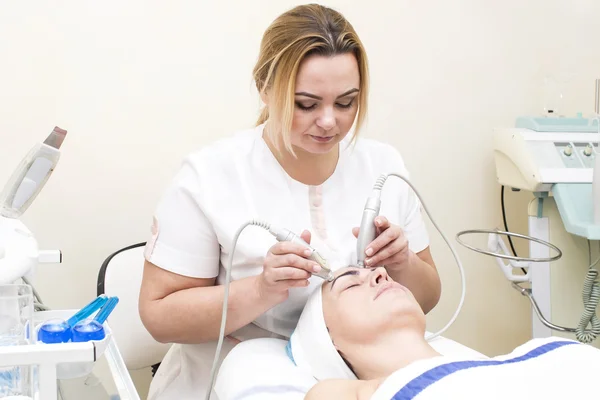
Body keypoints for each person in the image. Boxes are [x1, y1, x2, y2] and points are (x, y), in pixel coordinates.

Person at [138, 4, 441, 399]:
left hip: (363, 381)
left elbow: (430, 296)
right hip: (233, 380)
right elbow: (159, 316)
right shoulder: (210, 176)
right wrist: (261, 290)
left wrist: (404, 264)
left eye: (346, 102)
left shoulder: (384, 166)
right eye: (306, 104)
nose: (330, 121)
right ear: (265, 88)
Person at [287, 266, 600, 399]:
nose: (380, 273)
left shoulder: (542, 354)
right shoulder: (346, 392)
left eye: (376, 271)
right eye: (351, 283)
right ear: (329, 340)